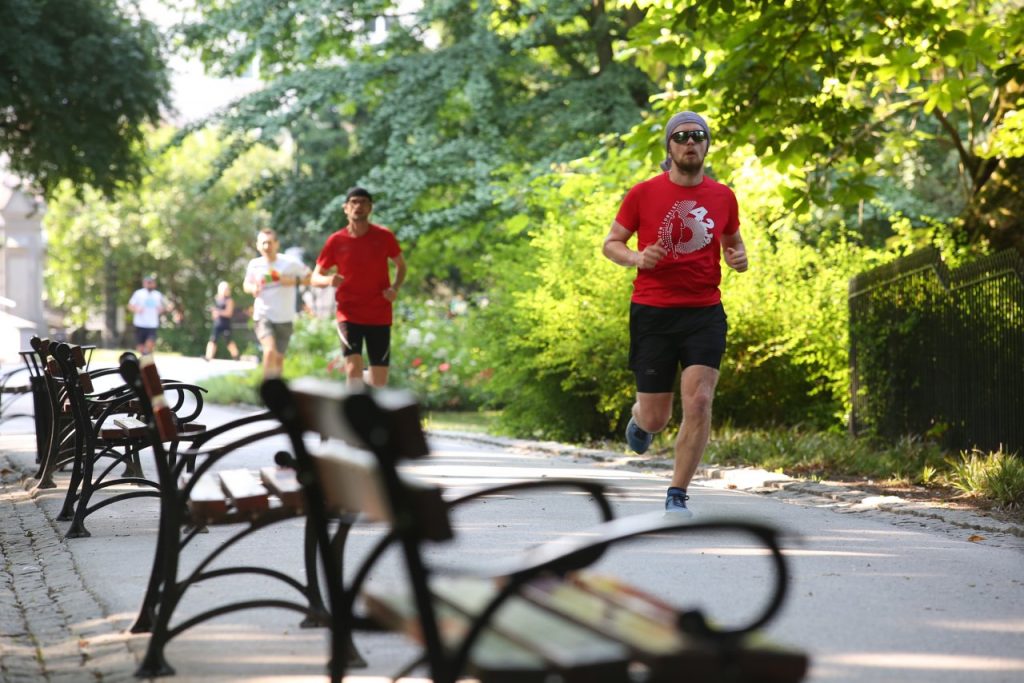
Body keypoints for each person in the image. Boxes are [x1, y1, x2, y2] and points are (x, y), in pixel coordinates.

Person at [601, 111, 749, 518]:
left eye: (697, 136)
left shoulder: (723, 196)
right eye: (681, 136)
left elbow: (732, 240)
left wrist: (738, 257)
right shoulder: (643, 193)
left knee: (700, 401)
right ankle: (641, 421)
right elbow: (611, 243)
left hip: (704, 312)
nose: (689, 142)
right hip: (653, 312)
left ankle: (677, 494)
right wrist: (636, 257)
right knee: (656, 416)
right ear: (669, 147)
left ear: (706, 145)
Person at [311, 187, 406, 387]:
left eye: (363, 202)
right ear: (345, 208)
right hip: (349, 313)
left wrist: (395, 288)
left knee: (379, 379)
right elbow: (315, 277)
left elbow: (401, 266)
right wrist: (330, 280)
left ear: (370, 208)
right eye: (353, 202)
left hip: (379, 313)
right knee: (353, 369)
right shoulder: (336, 241)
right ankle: (354, 416)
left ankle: (374, 416)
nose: (358, 206)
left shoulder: (384, 236)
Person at [243, 229, 311, 378]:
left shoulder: (291, 263)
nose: (267, 246)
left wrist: (292, 281)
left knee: (279, 358)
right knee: (269, 351)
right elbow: (246, 284)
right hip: (263, 315)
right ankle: (266, 390)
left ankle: (276, 395)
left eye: (270, 242)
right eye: (263, 243)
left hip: (285, 317)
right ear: (258, 246)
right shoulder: (255, 264)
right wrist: (252, 288)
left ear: (277, 244)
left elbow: (310, 277)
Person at [127, 274, 166, 355]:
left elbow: (163, 308)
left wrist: (161, 309)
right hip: (140, 324)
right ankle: (144, 360)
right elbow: (130, 306)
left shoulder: (158, 295)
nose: (149, 284)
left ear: (154, 284)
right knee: (140, 347)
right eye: (148, 282)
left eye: (151, 282)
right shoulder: (138, 293)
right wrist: (137, 310)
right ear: (144, 283)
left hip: (152, 324)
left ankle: (147, 357)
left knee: (150, 343)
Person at [204, 281, 241, 361]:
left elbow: (229, 313)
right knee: (213, 340)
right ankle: (208, 357)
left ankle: (236, 356)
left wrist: (218, 312)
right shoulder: (217, 299)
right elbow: (214, 313)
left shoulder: (229, 300)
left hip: (226, 324)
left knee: (229, 341)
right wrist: (214, 314)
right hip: (218, 323)